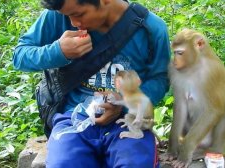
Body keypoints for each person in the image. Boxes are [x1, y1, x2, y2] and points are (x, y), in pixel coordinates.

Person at [13, 0, 170, 167]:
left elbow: (160, 79)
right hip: (74, 118)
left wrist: (123, 102)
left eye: (78, 14)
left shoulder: (149, 28)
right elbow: (20, 56)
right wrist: (59, 51)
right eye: (68, 16)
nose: (73, 23)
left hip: (128, 121)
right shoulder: (60, 15)